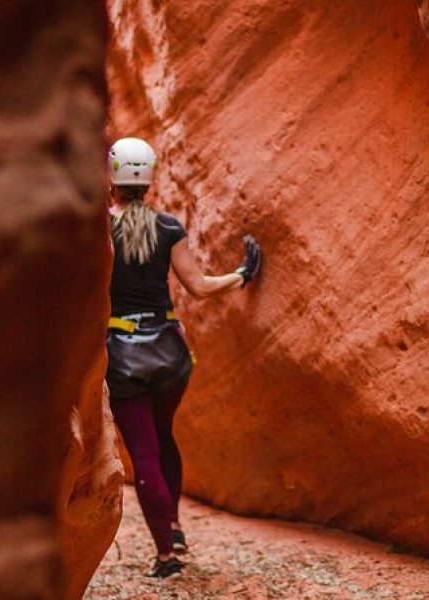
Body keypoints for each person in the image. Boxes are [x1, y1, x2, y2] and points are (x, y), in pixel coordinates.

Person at [105, 137, 261, 579]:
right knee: (164, 434)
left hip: (123, 358)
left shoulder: (101, 230)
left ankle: (166, 558)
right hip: (170, 354)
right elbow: (199, 286)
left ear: (112, 179)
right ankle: (173, 529)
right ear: (149, 179)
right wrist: (243, 274)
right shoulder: (168, 227)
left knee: (144, 453)